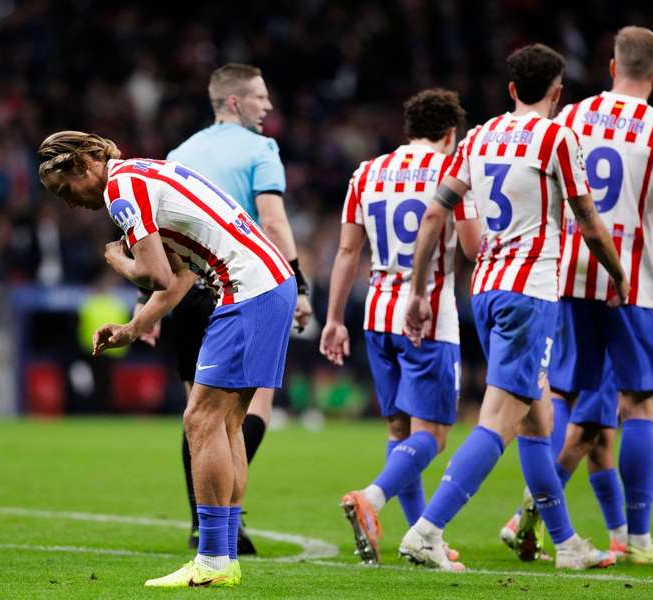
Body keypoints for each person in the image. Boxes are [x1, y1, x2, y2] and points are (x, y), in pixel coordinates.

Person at [400, 43, 628, 571]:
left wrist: (417, 289)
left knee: (537, 418)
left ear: (510, 90)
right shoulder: (557, 136)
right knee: (501, 420)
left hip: (486, 290)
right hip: (530, 294)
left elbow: (437, 213)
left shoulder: (478, 136)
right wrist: (616, 274)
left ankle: (567, 544)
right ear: (557, 91)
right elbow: (589, 221)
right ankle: (428, 531)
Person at [37, 130, 297, 588]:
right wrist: (133, 329)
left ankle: (213, 560)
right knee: (227, 423)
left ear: (83, 166)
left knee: (199, 419)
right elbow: (178, 277)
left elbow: (153, 273)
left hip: (246, 289)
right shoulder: (144, 173)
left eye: (65, 190)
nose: (70, 202)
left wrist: (116, 260)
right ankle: (225, 556)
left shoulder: (121, 190)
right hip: (271, 282)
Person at [510, 26, 653, 566]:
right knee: (636, 406)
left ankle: (531, 512)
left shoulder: (571, 117)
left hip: (568, 281)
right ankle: (637, 538)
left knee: (567, 402)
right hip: (629, 287)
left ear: (610, 68)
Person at [133, 63, 311, 554]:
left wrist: (147, 306)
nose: (267, 107)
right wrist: (300, 284)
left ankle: (202, 523)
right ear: (234, 102)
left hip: (188, 295)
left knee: (199, 413)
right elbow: (272, 221)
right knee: (246, 413)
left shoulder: (178, 154)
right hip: (244, 287)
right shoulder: (261, 148)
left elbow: (161, 235)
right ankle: (225, 523)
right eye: (260, 98)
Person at [319, 89, 479, 564]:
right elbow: (471, 246)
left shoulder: (366, 172)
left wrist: (333, 319)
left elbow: (348, 252)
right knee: (432, 435)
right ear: (451, 133)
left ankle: (420, 539)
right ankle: (371, 498)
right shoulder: (454, 170)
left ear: (409, 129)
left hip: (375, 313)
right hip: (425, 313)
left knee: (401, 428)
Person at [499, 232, 653, 561]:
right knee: (592, 426)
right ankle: (530, 510)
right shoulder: (625, 192)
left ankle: (620, 537)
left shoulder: (572, 185)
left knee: (598, 434)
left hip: (564, 293)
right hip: (613, 302)